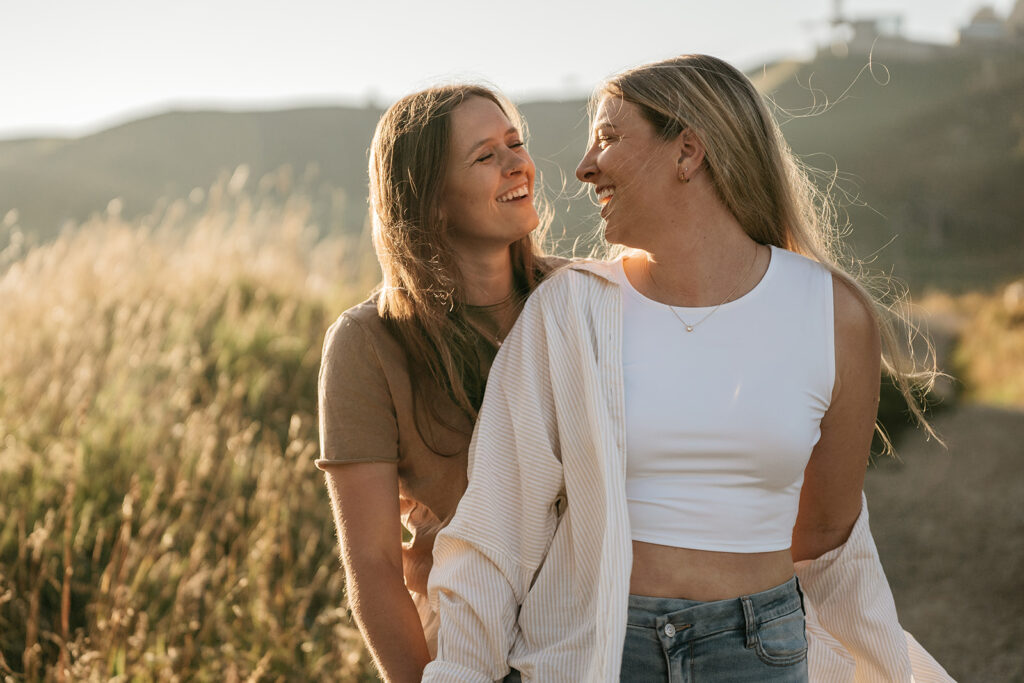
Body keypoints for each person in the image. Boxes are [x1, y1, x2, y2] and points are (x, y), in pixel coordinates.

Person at [423, 55, 952, 681]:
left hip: (760, 650)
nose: (584, 167)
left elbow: (827, 535)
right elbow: (496, 531)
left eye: (609, 138)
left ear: (689, 151)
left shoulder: (832, 314)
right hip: (597, 651)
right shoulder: (571, 309)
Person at [315, 84, 561, 682]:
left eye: (515, 142)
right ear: (429, 201)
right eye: (485, 156)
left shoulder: (576, 300)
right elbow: (373, 567)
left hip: (603, 635)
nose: (517, 163)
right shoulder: (367, 342)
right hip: (469, 647)